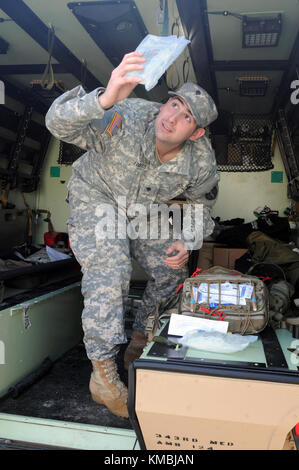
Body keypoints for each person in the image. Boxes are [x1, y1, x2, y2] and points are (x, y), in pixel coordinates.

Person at [46, 51, 219, 418]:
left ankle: (140, 339)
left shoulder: (201, 161)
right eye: (173, 104)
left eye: (186, 116)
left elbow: (203, 206)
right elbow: (57, 124)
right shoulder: (128, 115)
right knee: (110, 267)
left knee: (172, 269)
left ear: (197, 132)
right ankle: (103, 372)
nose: (171, 117)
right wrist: (105, 98)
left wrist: (187, 239)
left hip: (142, 211)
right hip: (98, 196)